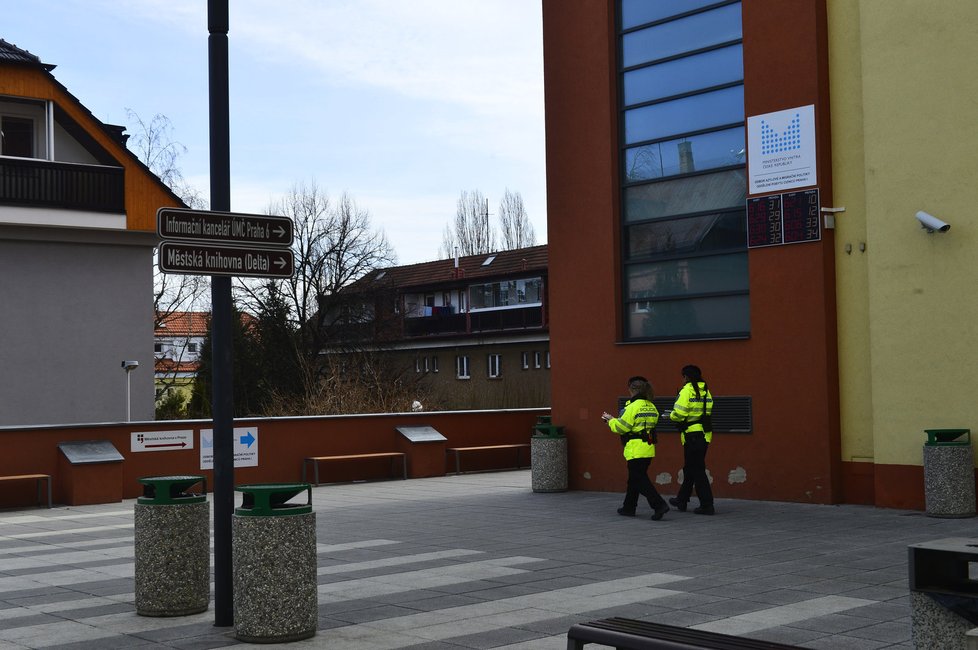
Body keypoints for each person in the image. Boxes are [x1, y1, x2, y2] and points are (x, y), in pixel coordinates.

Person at [602, 376, 669, 521]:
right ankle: (629, 507)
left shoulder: (632, 407)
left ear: (631, 390)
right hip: (648, 447)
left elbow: (622, 428)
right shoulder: (651, 406)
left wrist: (610, 420)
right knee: (634, 479)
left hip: (635, 449)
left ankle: (659, 505)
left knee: (639, 480)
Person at [666, 365, 715, 515]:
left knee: (697, 470)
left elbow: (679, 413)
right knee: (690, 468)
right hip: (704, 434)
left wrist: (671, 416)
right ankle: (682, 499)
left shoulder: (687, 390)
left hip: (692, 435)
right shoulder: (705, 390)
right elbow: (709, 409)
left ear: (686, 377)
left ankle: (707, 505)